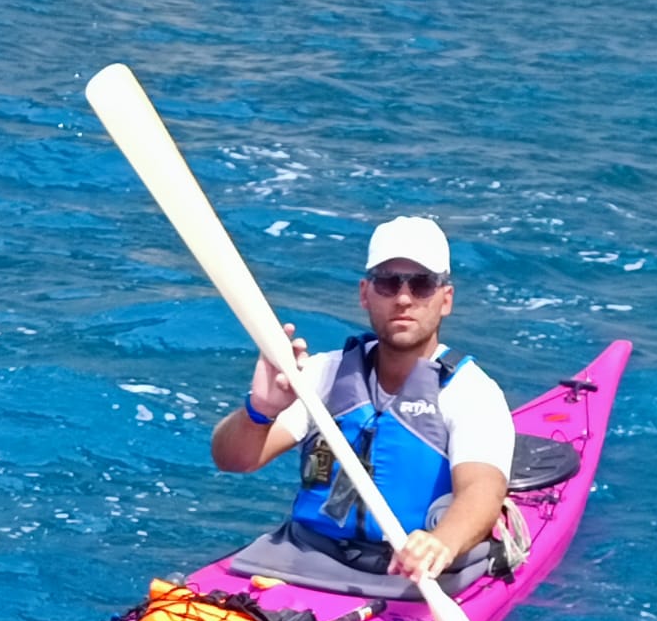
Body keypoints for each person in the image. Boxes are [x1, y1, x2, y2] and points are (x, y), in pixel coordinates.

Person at [210, 216, 515, 584]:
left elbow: (483, 489)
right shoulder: (323, 375)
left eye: (422, 285)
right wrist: (260, 412)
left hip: (411, 575)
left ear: (445, 300)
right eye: (388, 283)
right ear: (365, 294)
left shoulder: (471, 392)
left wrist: (441, 543)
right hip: (308, 556)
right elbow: (233, 460)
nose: (403, 298)